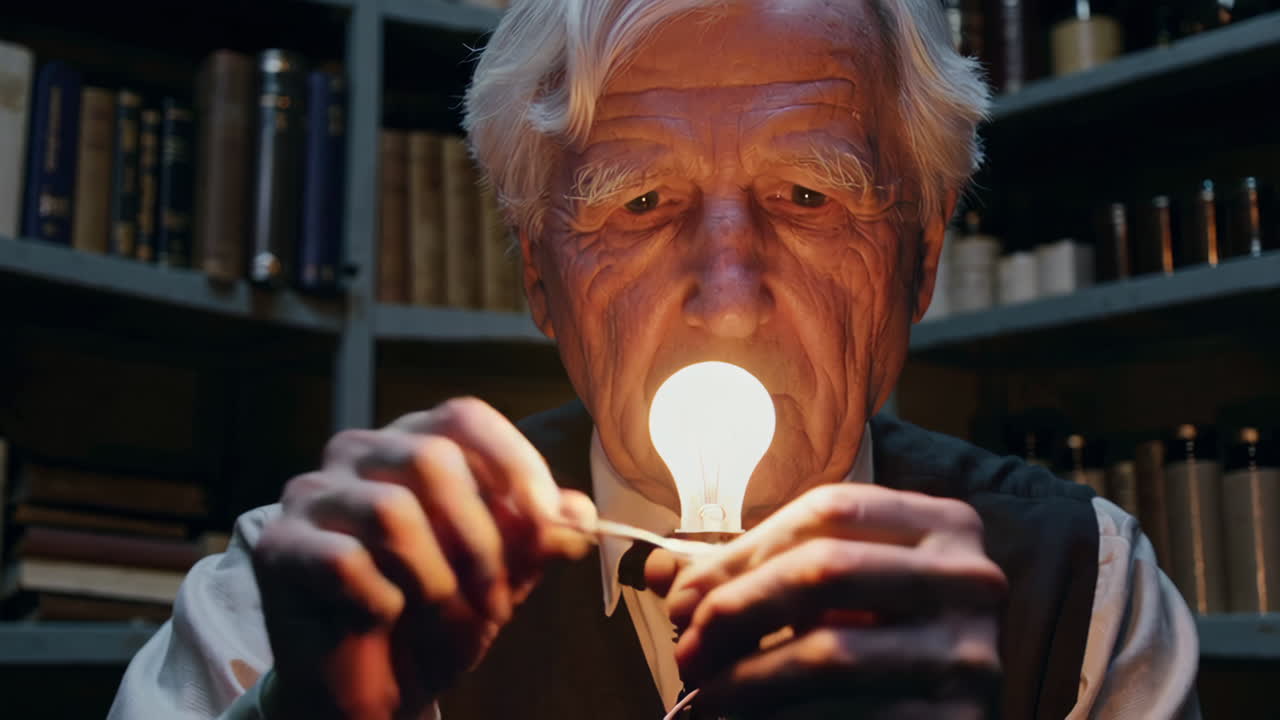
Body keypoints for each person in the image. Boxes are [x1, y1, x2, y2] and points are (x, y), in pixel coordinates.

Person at [108, 0, 1201, 718]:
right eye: (638, 201)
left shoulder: (1086, 591)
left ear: (917, 266)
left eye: (808, 195)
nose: (727, 301)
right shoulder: (297, 603)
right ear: (541, 278)